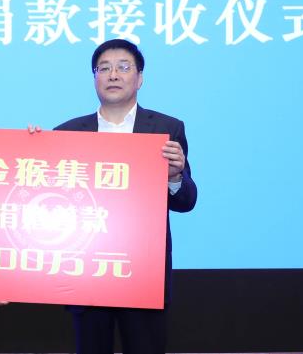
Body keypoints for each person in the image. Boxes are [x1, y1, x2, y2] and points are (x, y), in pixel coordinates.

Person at [55, 39, 198, 354]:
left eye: (123, 67)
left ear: (140, 78)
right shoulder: (67, 132)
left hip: (143, 273)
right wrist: (33, 148)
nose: (113, 75)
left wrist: (174, 176)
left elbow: (186, 201)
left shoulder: (166, 128)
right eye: (104, 68)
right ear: (94, 77)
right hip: (87, 271)